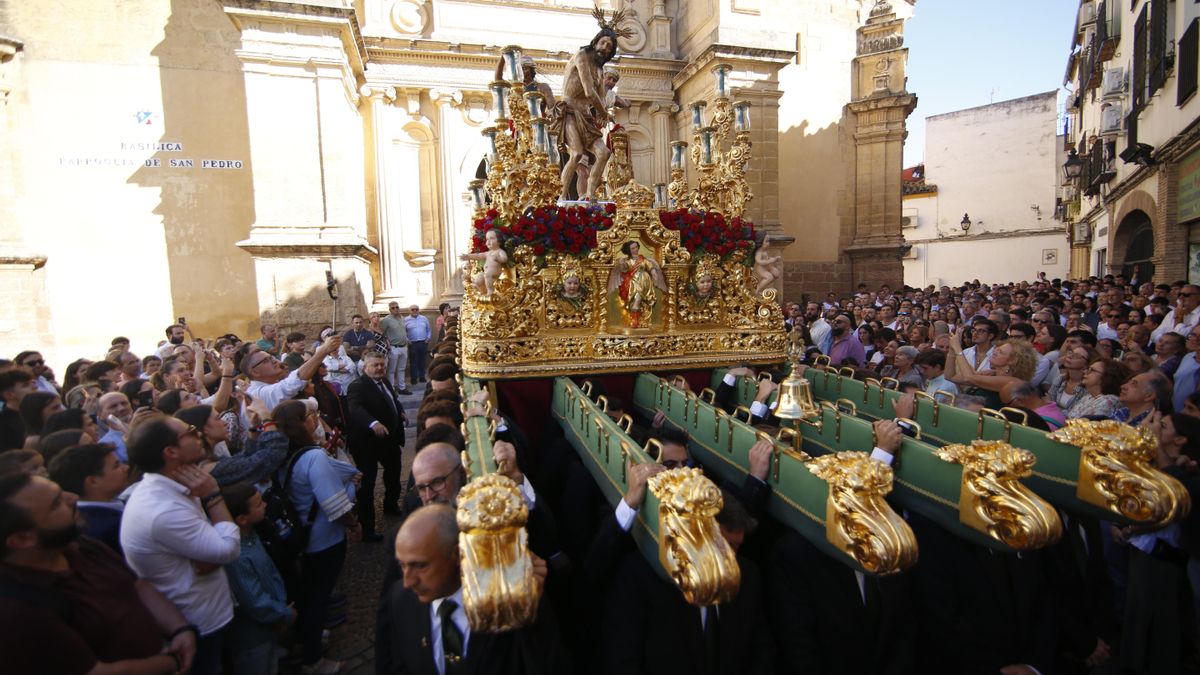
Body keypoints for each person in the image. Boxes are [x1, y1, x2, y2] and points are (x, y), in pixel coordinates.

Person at [0, 472, 199, 674]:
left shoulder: (79, 544)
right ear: (22, 539)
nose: (73, 498)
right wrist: (173, 662)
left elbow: (136, 585)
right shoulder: (18, 612)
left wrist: (179, 629)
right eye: (57, 503)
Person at [376, 504, 568, 675]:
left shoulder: (509, 599)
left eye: (420, 566)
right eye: (402, 565)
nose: (408, 581)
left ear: (458, 555)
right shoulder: (400, 600)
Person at [121, 415, 242, 675]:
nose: (198, 434)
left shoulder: (181, 480)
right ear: (171, 452)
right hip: (199, 621)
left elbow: (213, 549)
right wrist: (214, 497)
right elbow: (227, 550)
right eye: (190, 431)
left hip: (211, 606)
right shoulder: (161, 510)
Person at [273, 399, 362, 674]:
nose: (315, 418)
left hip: (301, 535)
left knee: (309, 594)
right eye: (310, 415)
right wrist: (353, 523)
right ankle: (313, 660)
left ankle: (308, 639)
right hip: (323, 538)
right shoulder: (313, 457)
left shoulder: (285, 453)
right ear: (298, 424)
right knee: (317, 598)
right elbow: (334, 505)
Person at [220, 482, 295, 675]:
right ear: (242, 519)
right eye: (258, 504)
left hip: (269, 625)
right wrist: (283, 613)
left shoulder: (252, 535)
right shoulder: (237, 555)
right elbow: (254, 600)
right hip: (253, 636)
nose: (265, 505)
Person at [551, 11, 622, 200]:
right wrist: (603, 113)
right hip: (569, 111)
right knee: (576, 154)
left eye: (610, 46)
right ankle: (561, 197)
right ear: (596, 42)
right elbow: (589, 92)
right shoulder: (581, 55)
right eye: (603, 43)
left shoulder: (600, 70)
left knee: (604, 152)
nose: (605, 48)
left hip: (585, 116)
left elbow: (599, 96)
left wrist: (603, 113)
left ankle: (589, 195)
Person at [346, 351, 408, 541]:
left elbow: (392, 400)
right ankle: (367, 527)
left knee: (393, 472)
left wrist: (401, 412)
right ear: (365, 367)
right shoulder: (357, 386)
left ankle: (390, 504)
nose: (380, 368)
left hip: (388, 440)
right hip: (366, 443)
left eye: (382, 364)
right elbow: (356, 409)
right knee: (367, 484)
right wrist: (373, 423)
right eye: (375, 365)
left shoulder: (385, 381)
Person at [47, 443, 129, 554]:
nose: (126, 468)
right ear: (93, 481)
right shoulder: (106, 528)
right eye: (116, 466)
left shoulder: (113, 504)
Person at [241, 334, 344, 413]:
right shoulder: (257, 394)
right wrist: (323, 351)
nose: (274, 361)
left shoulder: (268, 386)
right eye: (266, 360)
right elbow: (291, 384)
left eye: (271, 357)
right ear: (254, 371)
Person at [608, 240, 667, 329]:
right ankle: (635, 316)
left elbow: (650, 266)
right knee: (636, 289)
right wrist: (621, 264)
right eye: (632, 248)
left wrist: (654, 272)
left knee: (640, 281)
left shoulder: (644, 259)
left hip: (644, 281)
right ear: (629, 250)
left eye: (636, 247)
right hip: (632, 283)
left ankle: (636, 312)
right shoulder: (628, 261)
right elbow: (624, 269)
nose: (635, 249)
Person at [460, 229, 509, 298]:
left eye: (491, 238)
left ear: (499, 240)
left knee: (487, 274)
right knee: (478, 278)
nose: (488, 242)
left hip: (494, 272)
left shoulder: (500, 251)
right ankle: (483, 292)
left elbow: (504, 259)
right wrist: (468, 256)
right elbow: (478, 256)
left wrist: (498, 258)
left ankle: (490, 290)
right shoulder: (487, 253)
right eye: (487, 239)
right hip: (486, 272)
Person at [379, 301, 414, 395]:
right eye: (393, 308)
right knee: (391, 370)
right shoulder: (386, 320)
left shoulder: (402, 318)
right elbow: (381, 332)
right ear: (389, 309)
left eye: (397, 307)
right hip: (393, 347)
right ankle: (392, 388)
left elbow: (403, 331)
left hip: (403, 347)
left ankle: (402, 388)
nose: (395, 309)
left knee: (401, 368)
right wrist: (386, 343)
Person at [405, 305, 432, 386]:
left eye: (416, 309)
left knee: (422, 360)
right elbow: (403, 332)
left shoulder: (424, 318)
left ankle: (422, 376)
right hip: (412, 343)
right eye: (412, 309)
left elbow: (428, 329)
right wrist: (407, 340)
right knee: (413, 361)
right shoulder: (405, 320)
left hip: (423, 342)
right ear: (409, 311)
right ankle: (414, 378)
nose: (415, 311)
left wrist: (428, 338)